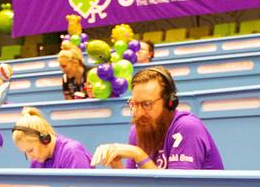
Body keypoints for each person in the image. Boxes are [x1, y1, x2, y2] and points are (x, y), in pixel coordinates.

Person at [91, 67, 223, 170]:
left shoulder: (187, 127)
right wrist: (116, 166)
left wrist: (138, 154)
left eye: (147, 104)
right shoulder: (138, 130)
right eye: (134, 104)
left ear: (168, 102)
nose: (139, 112)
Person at [12, 107, 92, 169]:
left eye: (30, 150)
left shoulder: (72, 153)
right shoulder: (37, 161)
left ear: (44, 139)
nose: (30, 157)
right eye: (26, 153)